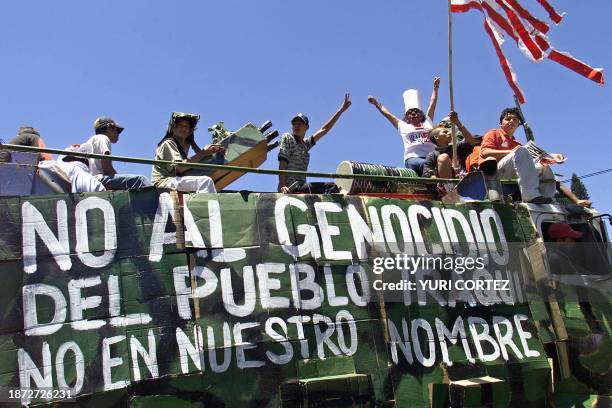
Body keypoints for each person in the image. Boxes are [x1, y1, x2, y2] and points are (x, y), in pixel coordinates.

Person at [479, 108, 564, 204]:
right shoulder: (493, 133)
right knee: (521, 151)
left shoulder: (517, 143)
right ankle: (530, 196)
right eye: (508, 118)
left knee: (543, 167)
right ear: (500, 123)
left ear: (518, 124)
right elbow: (485, 152)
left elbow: (532, 160)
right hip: (495, 172)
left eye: (515, 119)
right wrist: (511, 151)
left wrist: (553, 156)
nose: (512, 121)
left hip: (514, 172)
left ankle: (547, 198)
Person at [278, 93, 351, 193]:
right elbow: (283, 163)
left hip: (301, 187)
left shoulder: (305, 145)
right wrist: (282, 186)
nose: (297, 126)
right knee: (331, 187)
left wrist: (341, 110)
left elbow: (324, 129)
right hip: (291, 188)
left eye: (300, 123)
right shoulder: (288, 138)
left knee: (332, 188)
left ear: (307, 127)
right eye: (294, 123)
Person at [368, 76, 440, 175]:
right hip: (414, 158)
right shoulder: (402, 125)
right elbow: (387, 114)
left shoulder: (428, 121)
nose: (413, 114)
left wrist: (435, 87)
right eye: (410, 113)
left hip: (432, 157)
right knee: (427, 165)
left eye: (416, 111)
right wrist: (376, 103)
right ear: (406, 117)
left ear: (421, 114)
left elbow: (433, 103)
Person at [152, 112, 224, 193]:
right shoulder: (168, 143)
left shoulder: (181, 147)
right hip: (164, 182)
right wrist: (203, 152)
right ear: (173, 128)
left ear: (190, 131)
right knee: (205, 182)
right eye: (180, 125)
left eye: (187, 127)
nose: (183, 129)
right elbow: (180, 167)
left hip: (174, 180)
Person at [78, 117, 150, 190]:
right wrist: (120, 181)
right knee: (140, 180)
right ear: (109, 127)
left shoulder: (90, 141)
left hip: (88, 181)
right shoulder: (103, 137)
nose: (118, 134)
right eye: (117, 130)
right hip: (98, 179)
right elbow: (107, 167)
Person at [422, 111, 479, 179]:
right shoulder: (432, 155)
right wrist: (434, 176)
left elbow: (473, 141)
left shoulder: (457, 147)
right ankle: (449, 186)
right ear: (436, 137)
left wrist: (457, 122)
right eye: (445, 132)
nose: (449, 133)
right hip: (445, 186)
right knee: (443, 157)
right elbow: (426, 174)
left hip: (463, 182)